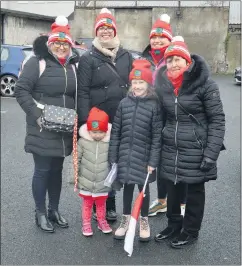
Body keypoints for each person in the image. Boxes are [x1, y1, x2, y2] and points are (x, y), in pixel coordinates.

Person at [154, 36, 225, 248]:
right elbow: (160, 117)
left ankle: (190, 231)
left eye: (178, 59)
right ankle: (174, 224)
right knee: (172, 188)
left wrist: (211, 153)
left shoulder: (206, 85)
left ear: (187, 61)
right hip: (171, 147)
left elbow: (217, 120)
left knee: (194, 191)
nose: (174, 64)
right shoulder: (163, 85)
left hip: (196, 147)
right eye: (170, 59)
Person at [15, 16, 80, 233]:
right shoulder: (37, 63)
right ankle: (40, 213)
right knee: (42, 170)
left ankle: (54, 210)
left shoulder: (72, 66)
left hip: (62, 128)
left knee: (57, 170)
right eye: (57, 43)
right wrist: (36, 115)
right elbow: (21, 90)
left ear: (69, 46)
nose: (61, 47)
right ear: (50, 44)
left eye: (65, 43)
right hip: (42, 126)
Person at [77, 8, 133, 221]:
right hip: (96, 120)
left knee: (113, 161)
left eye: (109, 28)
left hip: (120, 117)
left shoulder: (125, 55)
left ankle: (109, 203)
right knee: (96, 162)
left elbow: (132, 86)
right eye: (102, 28)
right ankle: (94, 203)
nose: (105, 31)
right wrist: (84, 122)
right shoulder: (88, 58)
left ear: (114, 30)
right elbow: (82, 91)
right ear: (96, 31)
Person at [109, 59, 163, 242]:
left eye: (141, 82)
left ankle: (144, 221)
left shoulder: (154, 105)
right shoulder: (124, 103)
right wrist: (113, 157)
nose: (137, 86)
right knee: (127, 188)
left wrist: (153, 161)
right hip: (124, 155)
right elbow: (116, 131)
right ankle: (125, 220)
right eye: (135, 82)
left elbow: (157, 136)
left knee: (143, 190)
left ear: (148, 84)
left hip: (144, 158)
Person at [142, 14, 187, 217]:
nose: (157, 41)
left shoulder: (176, 60)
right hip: (151, 119)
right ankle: (162, 201)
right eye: (154, 37)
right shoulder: (144, 59)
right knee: (158, 161)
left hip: (173, 119)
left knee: (179, 162)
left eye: (162, 38)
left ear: (170, 40)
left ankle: (183, 203)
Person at [77, 107, 113, 236]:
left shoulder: (109, 143)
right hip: (86, 180)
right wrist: (74, 179)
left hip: (102, 181)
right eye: (94, 132)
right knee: (87, 204)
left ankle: (101, 221)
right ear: (88, 130)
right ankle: (86, 223)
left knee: (101, 204)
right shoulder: (82, 142)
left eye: (100, 132)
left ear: (106, 131)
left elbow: (113, 163)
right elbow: (76, 160)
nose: (97, 135)